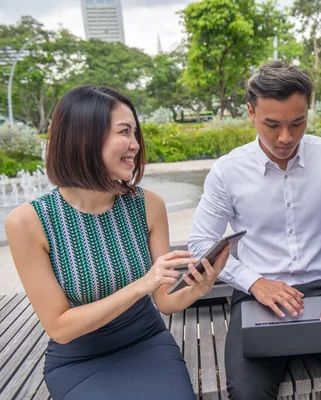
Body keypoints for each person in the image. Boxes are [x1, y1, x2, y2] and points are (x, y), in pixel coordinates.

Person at [5, 86, 230, 400]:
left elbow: (165, 302)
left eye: (135, 133)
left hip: (147, 343)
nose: (136, 145)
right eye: (124, 132)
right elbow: (60, 327)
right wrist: (142, 285)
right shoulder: (28, 223)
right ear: (84, 136)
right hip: (79, 360)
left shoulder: (148, 205)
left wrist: (200, 286)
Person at [188, 61, 321, 400]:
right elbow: (200, 243)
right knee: (248, 391)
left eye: (298, 123)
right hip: (258, 298)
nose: (286, 137)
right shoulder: (227, 171)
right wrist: (256, 283)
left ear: (308, 110)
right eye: (272, 125)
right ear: (251, 113)